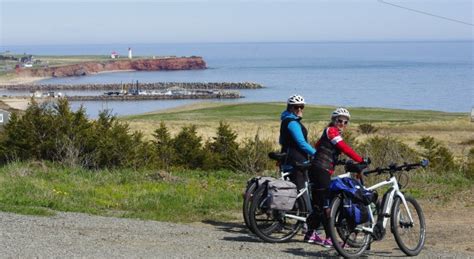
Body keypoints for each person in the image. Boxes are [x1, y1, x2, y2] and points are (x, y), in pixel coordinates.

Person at [304, 107, 366, 247]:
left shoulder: (329, 133)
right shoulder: (331, 131)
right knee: (326, 206)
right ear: (333, 120)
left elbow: (319, 147)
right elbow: (344, 147)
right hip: (321, 170)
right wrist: (360, 159)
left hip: (319, 169)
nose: (342, 124)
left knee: (319, 205)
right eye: (339, 121)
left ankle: (310, 233)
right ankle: (329, 239)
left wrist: (335, 160)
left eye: (345, 122)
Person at [279, 94, 316, 190]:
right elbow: (302, 143)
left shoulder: (285, 120)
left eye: (301, 107)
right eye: (296, 107)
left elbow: (281, 140)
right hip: (296, 161)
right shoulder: (292, 122)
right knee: (300, 191)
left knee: (291, 190)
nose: (299, 109)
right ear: (290, 108)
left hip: (287, 159)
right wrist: (316, 153)